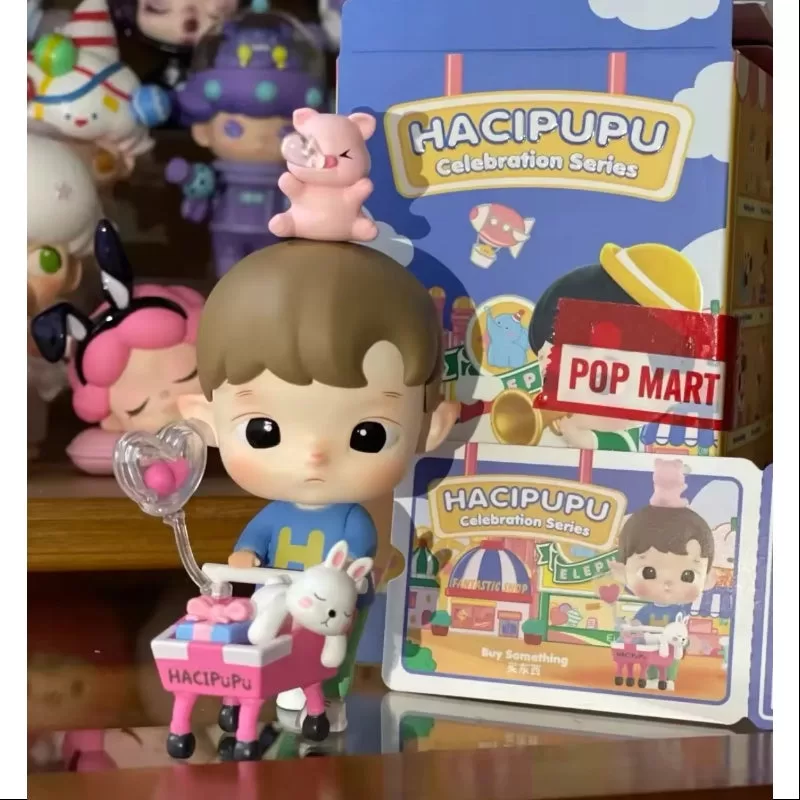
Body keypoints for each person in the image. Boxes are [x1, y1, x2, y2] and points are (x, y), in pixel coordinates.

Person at [177, 239, 459, 731]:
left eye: (367, 434)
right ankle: (258, 692)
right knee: (259, 638)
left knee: (328, 660)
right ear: (206, 423)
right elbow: (255, 541)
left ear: (428, 428)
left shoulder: (353, 520)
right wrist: (246, 555)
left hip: (329, 610)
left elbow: (357, 558)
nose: (314, 455)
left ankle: (325, 697)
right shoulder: (275, 514)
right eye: (263, 431)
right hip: (275, 597)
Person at [611, 459, 717, 690]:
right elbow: (637, 624)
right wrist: (632, 628)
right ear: (622, 572)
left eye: (687, 576)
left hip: (672, 646)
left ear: (708, 578)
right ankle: (651, 677)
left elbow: (684, 631)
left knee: (672, 662)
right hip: (650, 645)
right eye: (649, 572)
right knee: (648, 659)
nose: (668, 584)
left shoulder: (679, 613)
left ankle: (668, 678)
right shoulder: (647, 610)